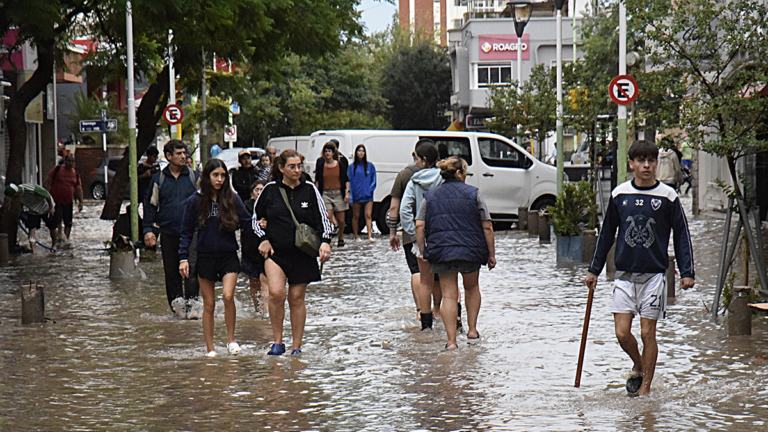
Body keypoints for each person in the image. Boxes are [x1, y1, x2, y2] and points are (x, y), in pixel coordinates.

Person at [585, 139, 695, 396]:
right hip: (624, 275)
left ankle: (645, 390)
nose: (647, 166)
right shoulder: (620, 194)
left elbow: (681, 234)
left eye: (652, 161)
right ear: (631, 164)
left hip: (655, 276)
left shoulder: (668, 196)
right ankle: (637, 362)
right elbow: (606, 234)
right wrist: (594, 269)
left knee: (648, 332)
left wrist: (687, 272)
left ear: (657, 163)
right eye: (641, 161)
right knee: (622, 333)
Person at [253, 150, 333, 356]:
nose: (297, 170)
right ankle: (277, 342)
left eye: (300, 166)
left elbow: (323, 220)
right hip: (276, 252)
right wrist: (263, 239)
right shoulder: (270, 190)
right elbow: (255, 219)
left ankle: (297, 346)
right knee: (276, 293)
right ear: (281, 168)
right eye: (292, 166)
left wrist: (325, 242)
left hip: (303, 253)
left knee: (296, 297)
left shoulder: (310, 190)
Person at [415, 156, 496, 350]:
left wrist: (424, 250)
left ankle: (451, 342)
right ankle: (473, 332)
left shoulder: (430, 196)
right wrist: (491, 253)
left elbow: (419, 225)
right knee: (472, 288)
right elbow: (487, 226)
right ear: (459, 173)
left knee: (449, 295)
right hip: (471, 250)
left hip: (442, 251)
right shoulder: (474, 194)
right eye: (465, 172)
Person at [179, 159, 250, 357]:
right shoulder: (195, 201)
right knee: (208, 304)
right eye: (215, 175)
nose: (219, 180)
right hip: (205, 256)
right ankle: (210, 349)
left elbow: (247, 222)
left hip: (228, 255)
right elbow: (185, 232)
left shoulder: (232, 199)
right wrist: (183, 258)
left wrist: (261, 227)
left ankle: (231, 340)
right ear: (207, 177)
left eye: (222, 176)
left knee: (228, 296)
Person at [143, 140, 202, 319]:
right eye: (179, 153)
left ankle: (192, 311)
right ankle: (177, 312)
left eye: (185, 153)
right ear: (168, 156)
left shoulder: (194, 177)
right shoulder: (159, 180)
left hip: (193, 233)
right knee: (171, 273)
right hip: (168, 233)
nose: (183, 156)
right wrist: (148, 229)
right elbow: (150, 206)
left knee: (191, 271)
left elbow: (208, 200)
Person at [400, 139, 444, 331]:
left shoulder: (414, 181)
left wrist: (413, 232)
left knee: (425, 282)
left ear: (424, 160)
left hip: (423, 236)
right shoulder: (444, 177)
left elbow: (404, 210)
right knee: (448, 280)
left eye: (417, 159)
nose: (415, 163)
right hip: (444, 236)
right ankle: (452, 318)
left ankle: (426, 326)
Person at [388, 149, 423, 321]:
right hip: (437, 232)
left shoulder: (404, 175)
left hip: (411, 232)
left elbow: (394, 207)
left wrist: (393, 232)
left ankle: (420, 311)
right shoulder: (440, 173)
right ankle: (440, 310)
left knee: (416, 271)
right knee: (440, 276)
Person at [43, 153, 83, 250]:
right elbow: (47, 181)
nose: (71, 163)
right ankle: (57, 238)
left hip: (68, 202)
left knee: (68, 222)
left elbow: (78, 188)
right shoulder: (57, 170)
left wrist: (81, 202)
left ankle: (66, 240)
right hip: (56, 201)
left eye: (73, 161)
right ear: (65, 161)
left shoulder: (75, 174)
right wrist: (45, 196)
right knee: (57, 220)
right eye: (69, 161)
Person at [314, 141, 349, 246]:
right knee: (328, 215)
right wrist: (316, 193)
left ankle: (341, 237)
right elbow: (318, 180)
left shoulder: (340, 165)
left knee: (341, 219)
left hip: (338, 192)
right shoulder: (320, 165)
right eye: (325, 151)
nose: (327, 153)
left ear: (333, 153)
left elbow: (346, 179)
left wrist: (347, 192)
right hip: (326, 193)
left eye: (329, 151)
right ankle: (328, 237)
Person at [242, 179, 269, 314]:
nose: (259, 193)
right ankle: (257, 308)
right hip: (250, 248)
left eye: (262, 190)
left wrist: (267, 224)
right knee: (253, 281)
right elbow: (242, 223)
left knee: (265, 279)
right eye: (256, 190)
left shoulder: (270, 206)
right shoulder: (246, 206)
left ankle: (265, 311)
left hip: (266, 248)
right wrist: (256, 223)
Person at [4, 183, 55, 253]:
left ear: (16, 194)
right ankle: (34, 251)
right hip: (33, 210)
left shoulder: (30, 189)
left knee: (52, 227)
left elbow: (47, 195)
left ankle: (54, 245)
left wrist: (51, 207)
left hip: (45, 208)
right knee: (31, 229)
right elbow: (23, 201)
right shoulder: (18, 195)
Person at [347, 144, 377, 242]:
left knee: (368, 215)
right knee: (356, 215)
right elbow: (349, 181)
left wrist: (370, 190)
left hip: (368, 195)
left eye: (363, 151)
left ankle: (369, 235)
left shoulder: (370, 166)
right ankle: (356, 235)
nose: (361, 153)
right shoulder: (351, 167)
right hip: (356, 195)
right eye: (359, 151)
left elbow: (374, 179)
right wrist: (350, 196)